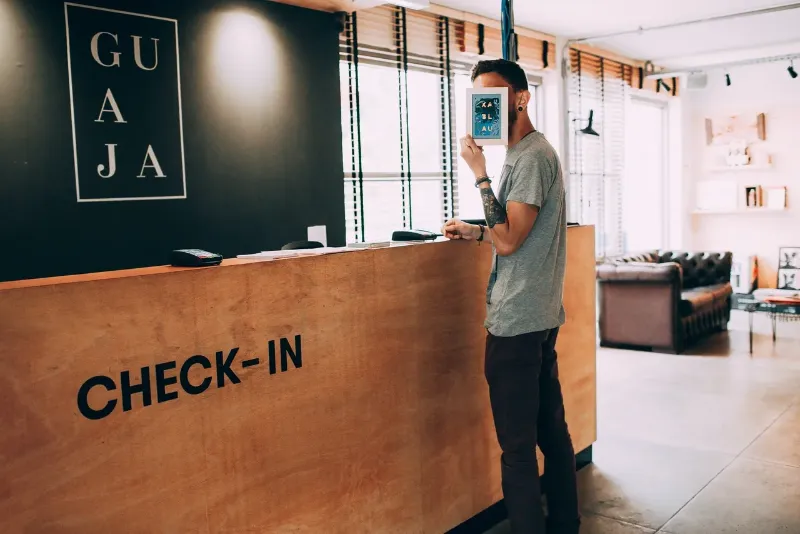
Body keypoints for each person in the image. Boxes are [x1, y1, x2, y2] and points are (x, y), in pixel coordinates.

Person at [442, 59, 579, 534]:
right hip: (536, 316)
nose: (486, 109)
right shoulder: (529, 155)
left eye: (494, 98)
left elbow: (509, 242)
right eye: (480, 100)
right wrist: (475, 231)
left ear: (520, 98)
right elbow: (512, 233)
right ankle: (565, 524)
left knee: (517, 449)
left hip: (516, 322)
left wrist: (479, 173)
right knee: (551, 435)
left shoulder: (530, 157)